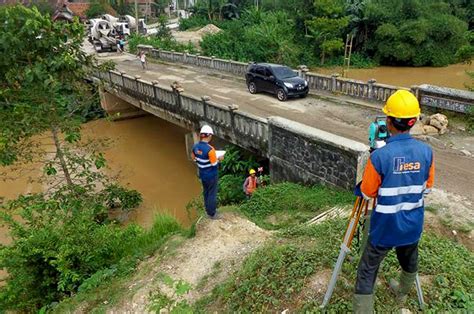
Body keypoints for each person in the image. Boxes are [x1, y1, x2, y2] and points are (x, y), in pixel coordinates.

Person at [353, 90, 435, 313]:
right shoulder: (427, 152)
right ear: (414, 121)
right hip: (412, 225)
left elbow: (368, 192)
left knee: (367, 269)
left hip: (385, 228)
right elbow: (427, 188)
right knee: (409, 258)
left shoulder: (380, 157)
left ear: (388, 121)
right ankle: (402, 290)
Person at [191, 125, 223, 219]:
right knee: (212, 193)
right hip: (211, 175)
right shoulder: (210, 150)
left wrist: (200, 161)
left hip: (202, 173)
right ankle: (212, 213)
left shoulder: (195, 146)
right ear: (209, 136)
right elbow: (214, 164)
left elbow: (194, 158)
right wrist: (219, 159)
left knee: (206, 192)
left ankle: (207, 210)